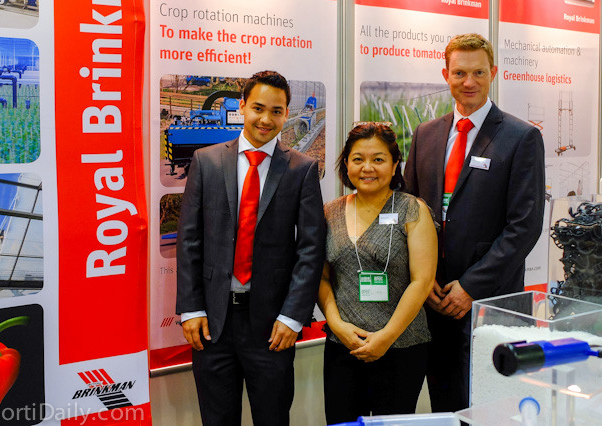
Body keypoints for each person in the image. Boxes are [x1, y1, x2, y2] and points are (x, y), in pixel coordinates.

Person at [404, 33, 545, 412]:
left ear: (493, 73)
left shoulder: (521, 137)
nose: (469, 82)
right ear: (446, 75)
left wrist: (469, 286)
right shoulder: (426, 134)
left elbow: (524, 226)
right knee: (446, 404)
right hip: (434, 301)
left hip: (491, 302)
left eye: (479, 73)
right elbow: (410, 212)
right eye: (460, 73)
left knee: (491, 407)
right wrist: (424, 279)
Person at [176, 70, 326, 426]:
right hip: (213, 324)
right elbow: (189, 239)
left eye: (276, 111)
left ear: (286, 114)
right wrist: (191, 308)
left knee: (272, 418)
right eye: (258, 108)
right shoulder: (206, 161)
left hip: (272, 327)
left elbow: (310, 249)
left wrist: (292, 317)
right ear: (242, 106)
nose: (266, 119)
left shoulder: (302, 169)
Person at [318, 122, 437, 424]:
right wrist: (337, 325)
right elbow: (321, 277)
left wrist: (386, 337)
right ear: (346, 164)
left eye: (378, 159)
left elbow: (422, 281)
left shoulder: (412, 210)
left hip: (403, 347)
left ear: (395, 164)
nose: (367, 168)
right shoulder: (329, 212)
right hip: (343, 347)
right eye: (358, 159)